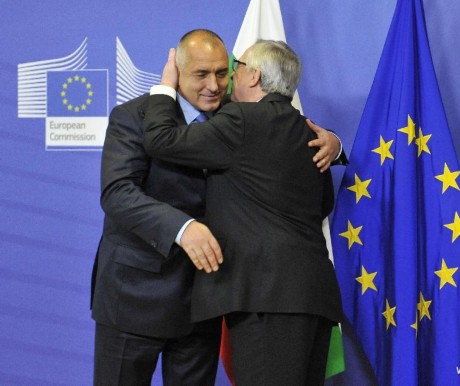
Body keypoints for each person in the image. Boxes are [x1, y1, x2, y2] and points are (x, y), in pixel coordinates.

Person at [91, 30, 344, 385]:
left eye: (222, 73)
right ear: (177, 72)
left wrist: (333, 142)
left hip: (206, 300)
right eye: (201, 74)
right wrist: (181, 228)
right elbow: (118, 192)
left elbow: (287, 133)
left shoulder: (241, 116)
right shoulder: (134, 115)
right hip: (135, 297)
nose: (214, 85)